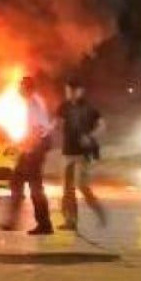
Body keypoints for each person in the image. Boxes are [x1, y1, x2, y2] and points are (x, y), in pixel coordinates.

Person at [0, 76, 55, 235]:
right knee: (17, 181)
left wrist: (28, 149)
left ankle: (44, 224)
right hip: (34, 145)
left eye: (21, 87)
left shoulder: (35, 103)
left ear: (27, 88)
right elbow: (32, 129)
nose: (19, 90)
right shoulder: (32, 102)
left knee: (35, 186)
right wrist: (21, 144)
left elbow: (37, 130)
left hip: (37, 146)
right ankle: (13, 221)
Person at [57, 79, 107, 230]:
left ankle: (99, 212)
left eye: (73, 90)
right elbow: (58, 123)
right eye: (67, 90)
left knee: (81, 185)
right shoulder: (63, 107)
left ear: (80, 91)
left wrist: (91, 136)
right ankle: (71, 221)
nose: (70, 94)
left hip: (82, 154)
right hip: (67, 153)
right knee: (67, 189)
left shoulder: (89, 108)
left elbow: (102, 126)